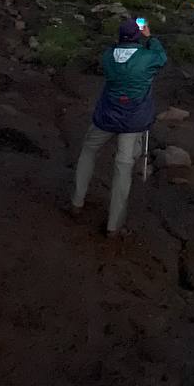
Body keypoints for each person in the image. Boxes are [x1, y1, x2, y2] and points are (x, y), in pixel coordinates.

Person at [71, 16, 167, 238]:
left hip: (107, 116)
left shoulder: (107, 57)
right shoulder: (147, 59)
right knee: (123, 165)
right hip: (133, 121)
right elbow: (161, 58)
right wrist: (149, 36)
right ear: (137, 35)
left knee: (88, 150)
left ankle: (77, 201)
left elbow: (115, 51)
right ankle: (114, 225)